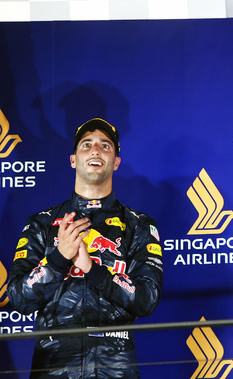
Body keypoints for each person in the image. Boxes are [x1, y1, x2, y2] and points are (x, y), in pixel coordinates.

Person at [7, 118, 163, 379]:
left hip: (115, 367)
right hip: (53, 365)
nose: (95, 151)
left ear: (116, 162)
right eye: (86, 145)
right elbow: (18, 298)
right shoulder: (42, 223)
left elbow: (147, 299)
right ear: (73, 160)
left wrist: (93, 269)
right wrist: (58, 259)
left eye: (105, 146)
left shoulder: (139, 225)